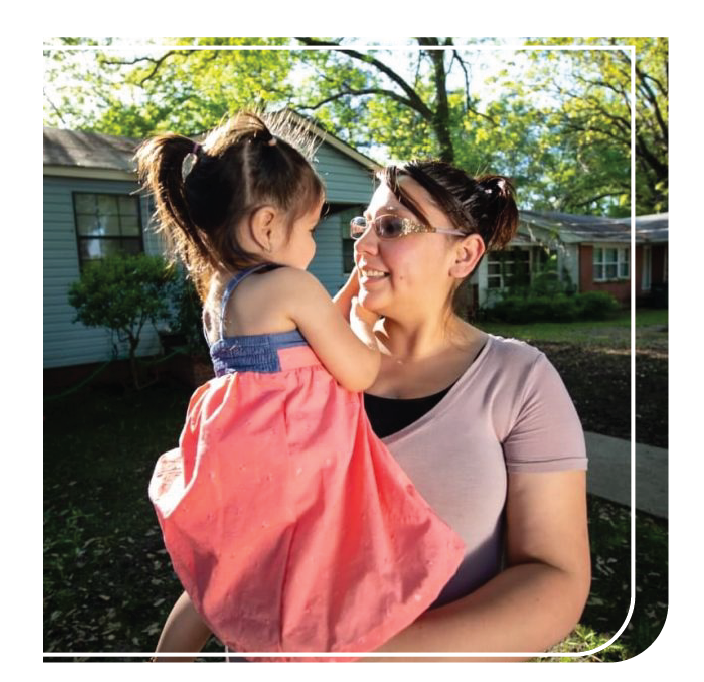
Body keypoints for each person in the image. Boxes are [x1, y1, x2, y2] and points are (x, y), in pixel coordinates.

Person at [136, 111, 467, 662]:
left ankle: (169, 661)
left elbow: (298, 341)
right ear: (268, 226)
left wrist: (344, 297)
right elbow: (357, 370)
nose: (314, 244)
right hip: (296, 459)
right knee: (305, 568)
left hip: (240, 451)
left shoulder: (222, 288)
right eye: (310, 230)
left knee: (235, 567)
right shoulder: (291, 282)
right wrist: (361, 326)